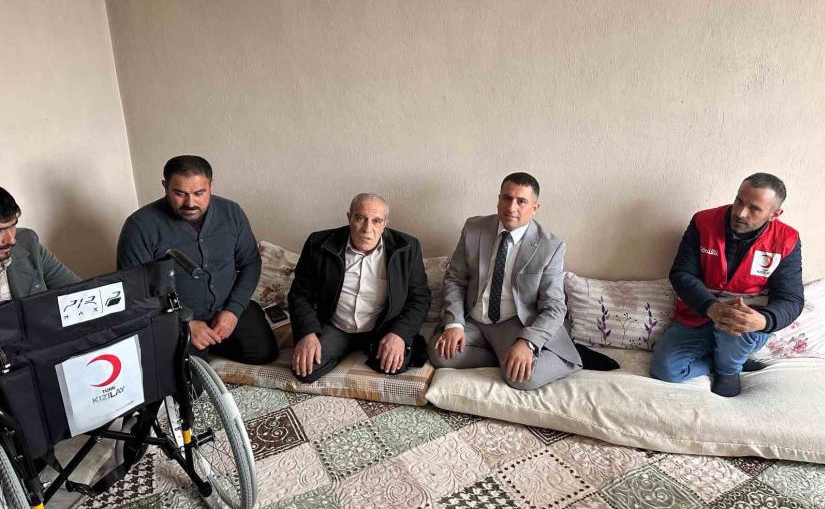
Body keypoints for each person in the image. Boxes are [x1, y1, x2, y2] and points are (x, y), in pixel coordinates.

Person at [429, 172, 618, 390]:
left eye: (521, 201)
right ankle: (503, 356)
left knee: (523, 378)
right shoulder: (474, 229)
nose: (512, 207)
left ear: (535, 207)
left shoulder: (550, 246)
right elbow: (455, 279)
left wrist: (528, 343)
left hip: (517, 323)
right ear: (498, 199)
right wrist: (454, 324)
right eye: (507, 198)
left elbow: (554, 307)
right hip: (476, 320)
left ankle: (571, 357)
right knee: (439, 354)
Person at [650, 172, 804, 397]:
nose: (740, 213)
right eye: (739, 201)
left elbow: (791, 298)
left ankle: (729, 370)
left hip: (747, 324)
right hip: (700, 313)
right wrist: (711, 308)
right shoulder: (703, 221)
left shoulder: (787, 239)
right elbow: (682, 273)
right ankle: (725, 360)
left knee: (736, 325)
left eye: (754, 208)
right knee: (664, 370)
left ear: (774, 214)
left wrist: (763, 320)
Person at [117, 155, 278, 364]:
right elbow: (135, 288)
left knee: (264, 353)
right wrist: (184, 322)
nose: (190, 203)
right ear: (165, 186)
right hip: (173, 317)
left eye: (199, 193)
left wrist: (233, 310)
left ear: (211, 185)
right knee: (186, 377)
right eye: (179, 193)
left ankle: (214, 341)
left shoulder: (232, 212)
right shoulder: (139, 226)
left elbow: (250, 262)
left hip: (227, 307)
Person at [288, 193, 431, 383]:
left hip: (381, 327)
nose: (367, 228)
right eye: (360, 218)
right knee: (304, 370)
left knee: (394, 365)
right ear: (349, 218)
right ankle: (342, 348)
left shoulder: (408, 247)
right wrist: (307, 333)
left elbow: (420, 298)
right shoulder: (318, 243)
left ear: (385, 223)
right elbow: (300, 294)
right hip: (336, 325)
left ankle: (403, 343)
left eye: (376, 221)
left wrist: (399, 334)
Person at [0, 187, 79, 301]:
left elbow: (78, 291)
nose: (12, 240)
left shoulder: (28, 242)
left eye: (13, 225)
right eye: (0, 231)